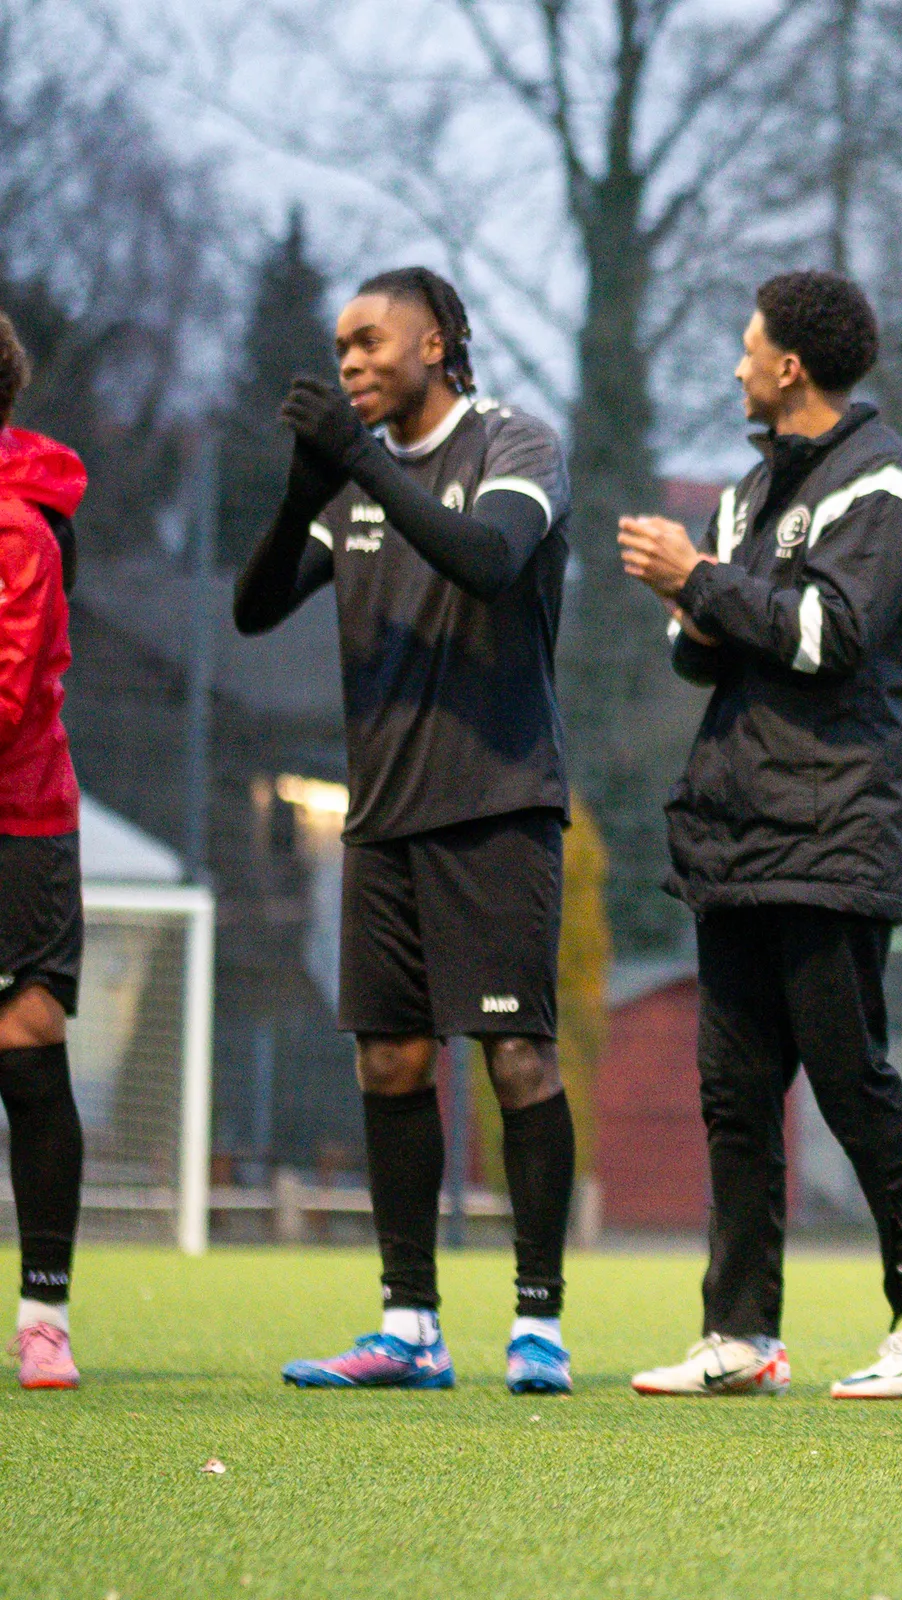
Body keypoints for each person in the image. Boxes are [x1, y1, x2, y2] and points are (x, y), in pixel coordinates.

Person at [617, 271, 902, 1401]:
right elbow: (707, 653)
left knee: (848, 1072)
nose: (734, 368)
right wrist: (690, 597)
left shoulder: (896, 485)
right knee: (733, 1084)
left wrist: (701, 579)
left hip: (837, 821)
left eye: (746, 348)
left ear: (791, 366)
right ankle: (740, 1334)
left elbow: (829, 633)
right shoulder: (746, 493)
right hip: (736, 826)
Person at [237, 268, 579, 1396]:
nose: (349, 364)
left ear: (434, 342)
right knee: (388, 1060)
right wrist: (304, 489)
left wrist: (363, 460)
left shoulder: (516, 446)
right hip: (381, 816)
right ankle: (409, 1323)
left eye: (369, 342)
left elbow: (487, 560)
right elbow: (252, 607)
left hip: (496, 801)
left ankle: (538, 1322)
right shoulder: (351, 476)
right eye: (338, 349)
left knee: (517, 1058)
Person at [0, 308, 89, 1390]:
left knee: (25, 1045)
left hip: (21, 820)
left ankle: (45, 1314)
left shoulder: (20, 530)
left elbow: (11, 694)